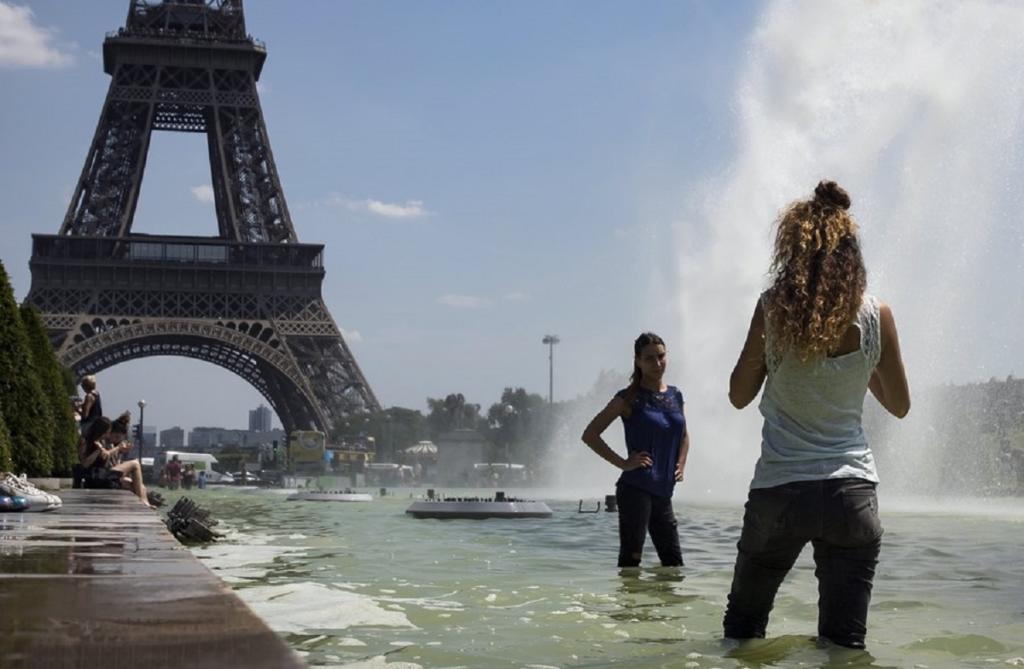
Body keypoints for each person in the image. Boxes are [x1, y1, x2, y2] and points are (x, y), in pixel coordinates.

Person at [723, 180, 910, 649]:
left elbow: (738, 395)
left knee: (743, 633)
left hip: (781, 492)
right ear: (851, 251)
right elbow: (900, 405)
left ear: (793, 249)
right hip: (852, 494)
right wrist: (861, 365)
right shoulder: (876, 316)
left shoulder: (772, 310)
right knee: (845, 644)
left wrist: (772, 359)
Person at [581, 332, 690, 568]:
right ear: (638, 361)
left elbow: (683, 435)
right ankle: (629, 605)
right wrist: (623, 463)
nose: (657, 363)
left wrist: (680, 464)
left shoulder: (675, 395)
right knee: (632, 561)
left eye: (661, 356)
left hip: (663, 491)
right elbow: (590, 434)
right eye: (649, 358)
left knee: (673, 563)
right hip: (635, 489)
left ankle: (665, 605)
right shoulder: (627, 398)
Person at [80, 417, 152, 507]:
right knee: (135, 463)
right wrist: (116, 448)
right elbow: (86, 463)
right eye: (106, 432)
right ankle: (143, 501)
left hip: (104, 473)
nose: (106, 435)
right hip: (97, 476)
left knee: (141, 487)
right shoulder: (86, 441)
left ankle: (145, 504)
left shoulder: (102, 442)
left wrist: (119, 451)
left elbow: (106, 456)